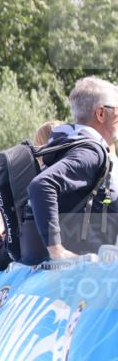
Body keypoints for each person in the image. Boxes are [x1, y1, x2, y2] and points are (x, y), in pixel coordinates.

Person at [30, 77, 118, 260]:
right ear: (101, 113)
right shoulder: (92, 150)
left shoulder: (65, 142)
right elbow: (42, 185)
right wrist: (57, 251)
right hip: (84, 272)